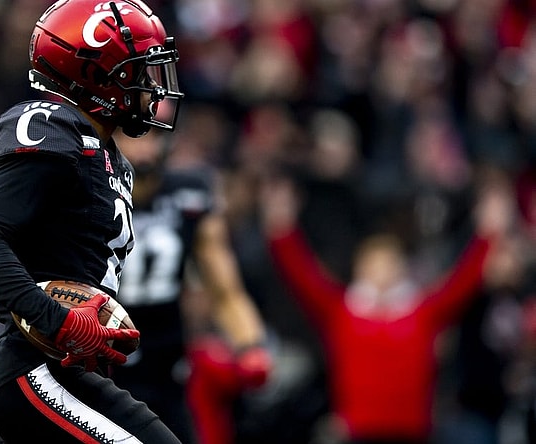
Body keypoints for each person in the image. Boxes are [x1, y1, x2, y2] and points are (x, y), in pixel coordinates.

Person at [0, 0, 185, 442]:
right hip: (35, 370)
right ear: (98, 76)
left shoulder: (110, 157)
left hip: (70, 370)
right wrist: (58, 320)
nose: (151, 89)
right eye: (138, 72)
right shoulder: (54, 131)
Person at [259, 171, 513, 444]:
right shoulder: (341, 311)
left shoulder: (422, 311)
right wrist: (281, 226)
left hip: (412, 432)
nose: (380, 272)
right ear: (360, 270)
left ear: (400, 270)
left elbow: (463, 284)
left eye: (388, 264)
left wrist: (489, 233)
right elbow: (301, 276)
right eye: (373, 265)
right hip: (359, 431)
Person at [110, 128, 273, 444]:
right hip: (102, 361)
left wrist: (250, 345)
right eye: (131, 135)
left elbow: (225, 290)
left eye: (149, 135)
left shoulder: (189, 196)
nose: (142, 147)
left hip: (167, 364)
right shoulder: (88, 194)